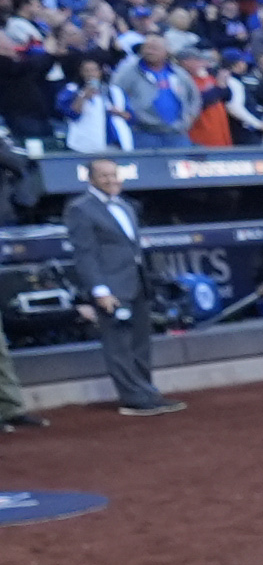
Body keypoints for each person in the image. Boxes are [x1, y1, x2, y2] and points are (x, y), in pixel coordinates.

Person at [67, 156, 172, 415]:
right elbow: (85, 254)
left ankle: (147, 392)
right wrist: (99, 290)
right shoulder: (80, 208)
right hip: (111, 288)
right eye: (104, 176)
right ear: (91, 179)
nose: (112, 180)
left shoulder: (126, 206)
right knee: (119, 345)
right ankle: (132, 398)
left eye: (114, 174)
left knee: (140, 343)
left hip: (137, 283)